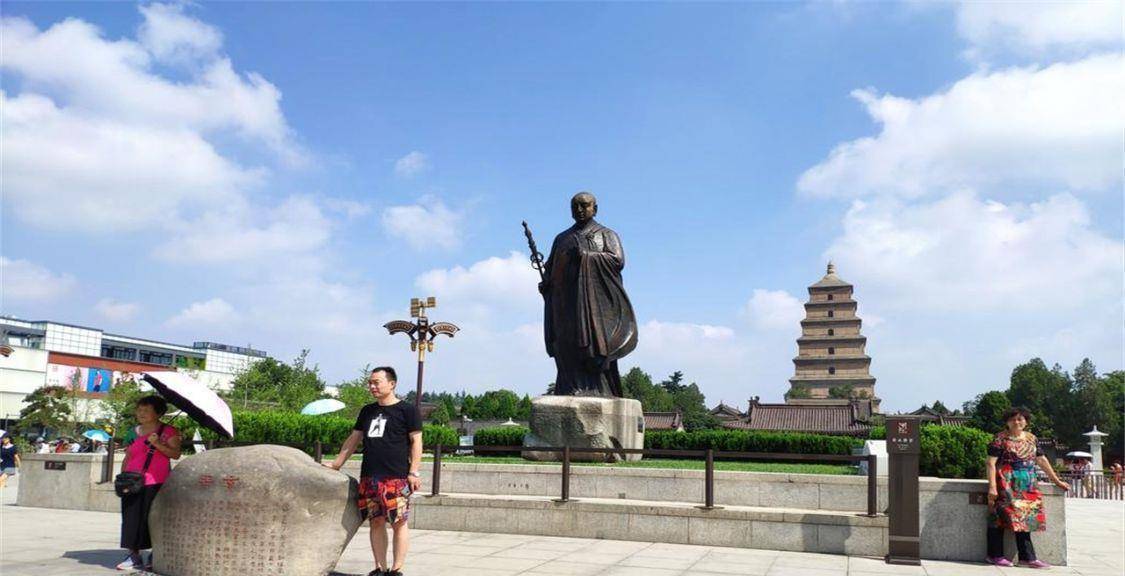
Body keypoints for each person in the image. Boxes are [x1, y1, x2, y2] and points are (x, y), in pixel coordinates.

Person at [324, 367, 422, 576]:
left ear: (392, 384)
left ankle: (396, 569)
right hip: (370, 476)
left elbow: (416, 441)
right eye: (370, 382)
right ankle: (379, 567)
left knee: (398, 522)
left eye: (377, 382)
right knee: (376, 521)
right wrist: (336, 464)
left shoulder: (407, 410)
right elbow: (354, 439)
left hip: (396, 477)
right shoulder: (367, 411)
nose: (372, 386)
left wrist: (414, 472)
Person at [538, 192, 638, 397]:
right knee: (565, 344)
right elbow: (551, 267)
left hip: (593, 305)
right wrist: (547, 283)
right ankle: (568, 387)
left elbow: (617, 261)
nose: (579, 210)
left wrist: (586, 256)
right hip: (565, 303)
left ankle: (597, 388)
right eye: (574, 206)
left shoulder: (606, 235)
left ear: (595, 208)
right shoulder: (562, 238)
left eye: (584, 205)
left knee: (591, 345)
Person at [986, 406, 1069, 568]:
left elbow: (1041, 460)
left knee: (1026, 519)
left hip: (1028, 483)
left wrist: (1056, 481)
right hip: (1006, 481)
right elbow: (990, 463)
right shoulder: (999, 439)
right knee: (999, 517)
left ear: (1026, 422)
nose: (1016, 422)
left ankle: (1027, 558)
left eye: (1020, 419)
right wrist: (992, 487)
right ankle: (994, 555)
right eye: (1012, 419)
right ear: (1007, 422)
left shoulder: (1032, 438)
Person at [118, 395, 181, 571]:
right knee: (130, 519)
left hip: (156, 481)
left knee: (152, 518)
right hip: (132, 481)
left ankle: (156, 554)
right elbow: (128, 456)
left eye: (146, 410)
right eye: (139, 409)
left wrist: (157, 443)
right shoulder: (132, 432)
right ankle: (133, 555)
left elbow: (175, 454)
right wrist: (122, 477)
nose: (141, 413)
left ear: (158, 413)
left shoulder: (169, 431)